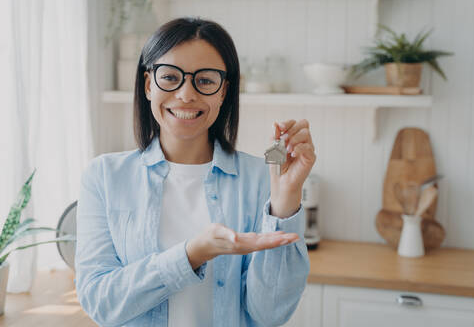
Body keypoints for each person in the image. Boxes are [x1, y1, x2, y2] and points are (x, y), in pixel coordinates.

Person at [75, 17, 316, 327]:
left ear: (224, 91)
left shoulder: (260, 178)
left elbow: (269, 315)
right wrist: (191, 254)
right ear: (149, 85)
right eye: (171, 77)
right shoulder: (104, 177)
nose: (186, 94)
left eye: (204, 81)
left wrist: (285, 202)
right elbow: (100, 302)